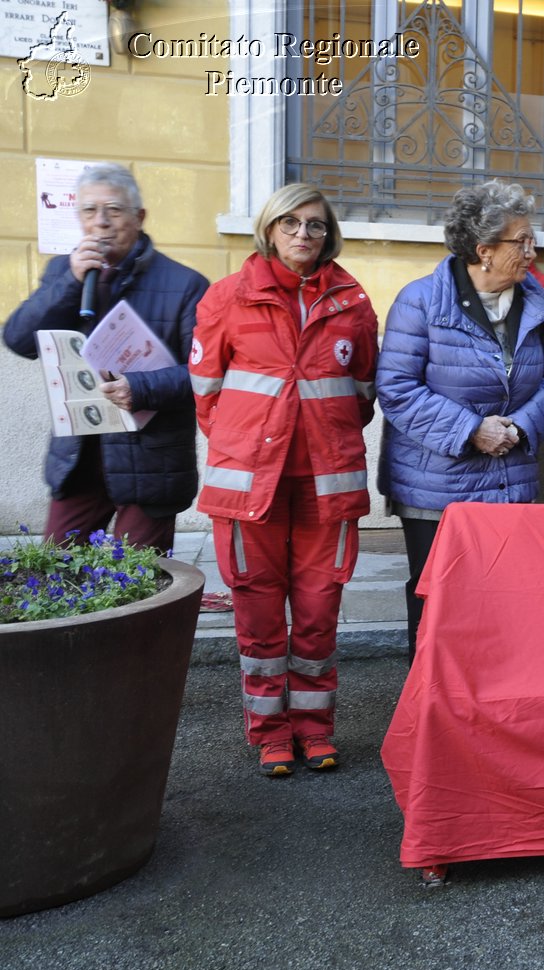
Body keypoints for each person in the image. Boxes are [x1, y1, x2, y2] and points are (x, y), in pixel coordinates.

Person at [189, 183, 379, 775]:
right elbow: (207, 395)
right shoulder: (227, 298)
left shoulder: (353, 303)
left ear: (329, 235)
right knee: (260, 614)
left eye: (315, 226)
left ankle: (316, 728)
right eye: (291, 223)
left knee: (320, 612)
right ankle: (270, 732)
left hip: (327, 485)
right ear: (270, 229)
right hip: (251, 487)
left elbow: (364, 394)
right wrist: (254, 439)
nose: (303, 234)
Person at [379, 181, 544, 656]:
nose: (532, 251)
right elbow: (397, 389)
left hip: (512, 478)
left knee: (503, 601)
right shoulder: (421, 301)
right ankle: (429, 707)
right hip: (437, 484)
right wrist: (472, 430)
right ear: (484, 251)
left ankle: (488, 711)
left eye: (532, 240)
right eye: (521, 241)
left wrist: (521, 426)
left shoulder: (537, 302)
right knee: (438, 600)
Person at [4, 162, 208, 552]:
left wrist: (142, 387)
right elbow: (18, 340)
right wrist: (70, 283)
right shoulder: (63, 272)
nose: (100, 222)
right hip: (79, 457)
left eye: (113, 210)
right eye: (88, 211)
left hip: (150, 461)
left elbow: (204, 374)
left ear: (139, 217)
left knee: (140, 583)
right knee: (54, 572)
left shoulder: (186, 285)